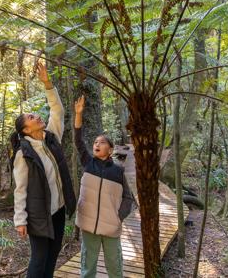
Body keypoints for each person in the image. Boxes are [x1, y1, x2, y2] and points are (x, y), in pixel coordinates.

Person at [10, 62, 76, 278]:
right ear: (25, 130)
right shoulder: (23, 154)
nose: (37, 116)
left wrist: (47, 83)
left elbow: (57, 110)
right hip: (39, 214)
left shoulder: (51, 138)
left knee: (53, 255)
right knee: (39, 260)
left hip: (57, 209)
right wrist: (20, 220)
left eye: (35, 115)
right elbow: (20, 189)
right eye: (31, 117)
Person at [73, 95, 135, 278]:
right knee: (87, 267)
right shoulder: (87, 163)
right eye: (95, 142)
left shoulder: (118, 171)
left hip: (111, 226)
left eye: (102, 142)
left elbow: (128, 197)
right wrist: (78, 114)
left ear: (110, 149)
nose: (96, 144)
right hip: (88, 225)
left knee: (115, 267)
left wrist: (119, 216)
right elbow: (78, 141)